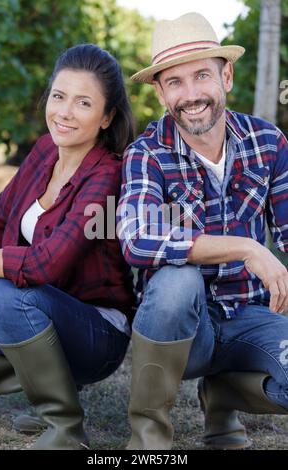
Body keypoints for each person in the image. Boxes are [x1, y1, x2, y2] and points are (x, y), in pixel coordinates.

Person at [117, 12, 288, 450]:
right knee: (176, 280)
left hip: (252, 317)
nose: (190, 95)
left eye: (201, 76)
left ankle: (224, 393)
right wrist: (246, 247)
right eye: (174, 82)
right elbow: (137, 237)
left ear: (226, 75)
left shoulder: (268, 143)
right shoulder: (147, 154)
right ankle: (149, 436)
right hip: (183, 331)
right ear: (159, 91)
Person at [0, 43, 135, 450]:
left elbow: (45, 264)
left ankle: (64, 426)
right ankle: (45, 394)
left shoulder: (107, 177)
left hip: (96, 334)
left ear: (106, 117)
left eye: (83, 103)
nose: (64, 112)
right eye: (58, 96)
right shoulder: (43, 151)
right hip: (41, 312)